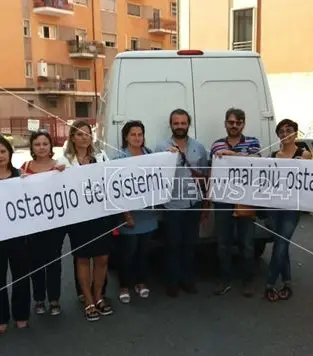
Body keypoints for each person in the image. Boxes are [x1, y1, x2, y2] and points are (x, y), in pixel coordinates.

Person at [58, 120, 113, 321]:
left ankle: (99, 295)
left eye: (87, 134)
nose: (84, 137)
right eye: (79, 134)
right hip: (79, 218)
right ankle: (88, 299)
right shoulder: (63, 160)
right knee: (83, 258)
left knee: (102, 258)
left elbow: (111, 179)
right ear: (72, 137)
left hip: (100, 215)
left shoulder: (101, 156)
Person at [155, 109, 209, 298]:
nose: (179, 126)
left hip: (194, 203)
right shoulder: (161, 147)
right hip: (172, 205)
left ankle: (187, 280)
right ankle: (172, 282)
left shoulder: (199, 147)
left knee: (190, 244)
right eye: (176, 123)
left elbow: (205, 175)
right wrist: (166, 159)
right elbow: (154, 174)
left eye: (183, 123)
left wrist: (205, 204)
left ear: (188, 124)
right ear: (171, 125)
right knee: (172, 245)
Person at [210, 108, 261, 297]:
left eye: (238, 123)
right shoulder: (216, 145)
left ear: (243, 124)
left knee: (247, 244)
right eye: (231, 122)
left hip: (246, 200)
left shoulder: (253, 142)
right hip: (223, 199)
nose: (234, 126)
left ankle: (248, 281)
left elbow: (257, 161)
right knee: (223, 243)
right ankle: (224, 279)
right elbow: (214, 167)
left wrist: (232, 155)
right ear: (225, 123)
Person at [264, 119, 311, 302]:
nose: (284, 134)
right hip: (274, 207)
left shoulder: (304, 154)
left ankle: (269, 284)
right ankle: (287, 283)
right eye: (281, 131)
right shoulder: (273, 155)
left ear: (296, 133)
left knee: (281, 243)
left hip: (292, 207)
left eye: (288, 130)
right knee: (280, 244)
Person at [20, 130, 66, 316]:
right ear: (32, 147)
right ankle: (39, 299)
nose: (41, 147)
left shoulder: (60, 167)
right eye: (37, 144)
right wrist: (20, 181)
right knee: (35, 262)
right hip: (32, 225)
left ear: (50, 146)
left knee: (54, 262)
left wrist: (63, 174)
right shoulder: (24, 167)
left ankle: (54, 299)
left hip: (55, 225)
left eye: (45, 144)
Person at [114, 121, 158, 304]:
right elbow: (115, 190)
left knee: (143, 252)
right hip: (129, 216)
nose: (137, 138)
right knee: (127, 254)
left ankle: (141, 282)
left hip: (147, 215)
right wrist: (126, 215)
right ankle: (124, 285)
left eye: (140, 134)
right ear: (126, 137)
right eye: (133, 134)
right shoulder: (118, 159)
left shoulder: (152, 156)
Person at [0, 135, 30, 334]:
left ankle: (21, 314)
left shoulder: (20, 175)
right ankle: (1, 317)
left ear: (9, 152)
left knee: (20, 275)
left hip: (18, 235)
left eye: (2, 151)